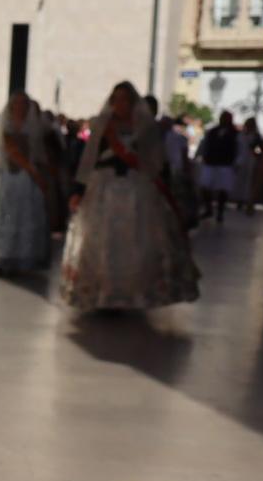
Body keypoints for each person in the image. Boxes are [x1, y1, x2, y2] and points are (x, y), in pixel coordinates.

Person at [61, 81, 200, 313]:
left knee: (137, 240)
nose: (121, 104)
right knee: (100, 240)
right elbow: (88, 161)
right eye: (117, 99)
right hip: (103, 188)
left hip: (138, 189)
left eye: (125, 99)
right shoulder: (102, 125)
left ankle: (132, 293)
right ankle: (102, 293)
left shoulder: (144, 127)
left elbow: (156, 162)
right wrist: (77, 191)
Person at [0, 91, 57, 274]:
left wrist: (42, 177)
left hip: (26, 181)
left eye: (23, 105)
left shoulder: (35, 129)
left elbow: (41, 156)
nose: (20, 108)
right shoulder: (1, 127)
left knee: (23, 216)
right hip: (1, 177)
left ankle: (19, 257)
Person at [197, 109, 241, 224]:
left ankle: (220, 212)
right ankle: (208, 208)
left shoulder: (235, 133)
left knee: (223, 189)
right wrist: (201, 155)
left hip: (225, 164)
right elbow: (204, 144)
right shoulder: (212, 131)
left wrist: (236, 162)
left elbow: (238, 149)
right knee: (205, 186)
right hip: (211, 162)